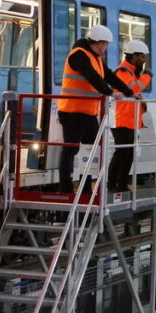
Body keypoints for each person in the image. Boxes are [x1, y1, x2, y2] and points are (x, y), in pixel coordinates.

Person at [58, 25, 136, 193]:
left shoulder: (96, 58)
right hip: (72, 111)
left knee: (90, 150)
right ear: (100, 43)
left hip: (88, 112)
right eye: (106, 44)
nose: (106, 48)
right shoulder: (78, 55)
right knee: (70, 150)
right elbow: (92, 76)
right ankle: (65, 188)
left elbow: (109, 76)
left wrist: (129, 92)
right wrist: (109, 93)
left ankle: (85, 187)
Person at [110, 40, 152, 193]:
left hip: (129, 120)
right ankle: (114, 184)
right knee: (123, 153)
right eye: (142, 57)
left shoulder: (130, 73)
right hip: (122, 119)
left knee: (127, 154)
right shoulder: (123, 72)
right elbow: (132, 88)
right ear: (134, 56)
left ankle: (119, 184)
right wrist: (147, 76)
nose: (143, 60)